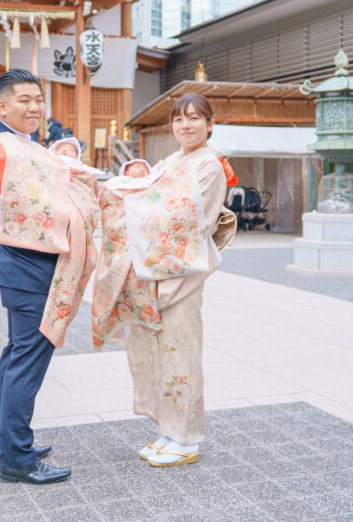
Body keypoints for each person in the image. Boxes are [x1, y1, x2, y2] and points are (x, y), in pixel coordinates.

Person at [91, 93, 236, 468]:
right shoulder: (174, 160)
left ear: (210, 124)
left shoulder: (210, 165)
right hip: (153, 274)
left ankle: (187, 438)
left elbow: (184, 218)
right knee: (156, 353)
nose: (185, 125)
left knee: (181, 352)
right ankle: (168, 430)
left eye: (194, 118)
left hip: (181, 275)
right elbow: (148, 195)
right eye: (178, 120)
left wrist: (136, 205)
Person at [0, 70, 71, 485]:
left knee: (16, 356)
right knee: (27, 362)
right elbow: (33, 215)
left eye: (39, 100)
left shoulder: (18, 146)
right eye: (24, 101)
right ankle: (18, 457)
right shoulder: (8, 151)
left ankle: (5, 445)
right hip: (29, 266)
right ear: (2, 106)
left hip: (20, 266)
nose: (34, 108)